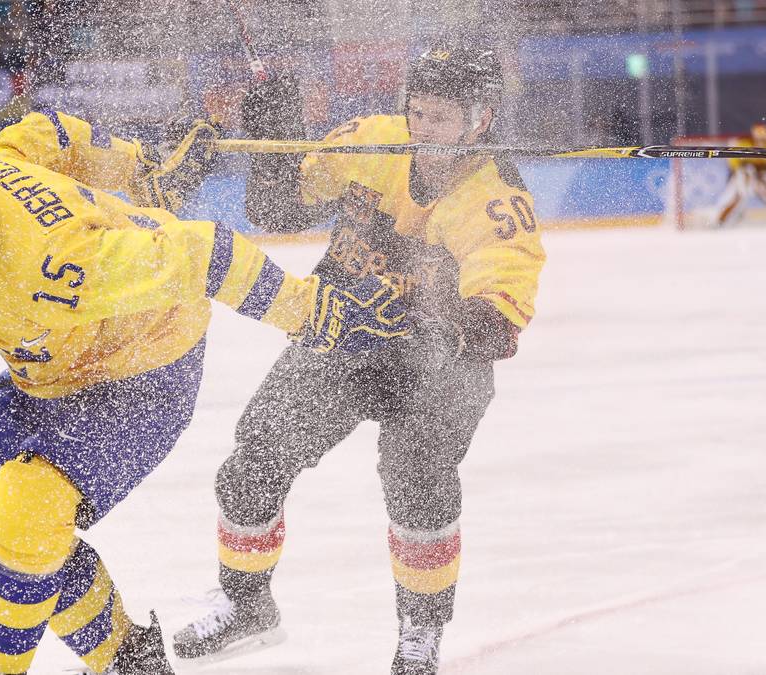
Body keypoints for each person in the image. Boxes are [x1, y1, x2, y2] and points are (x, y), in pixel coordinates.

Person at [0, 110, 408, 675]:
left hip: (144, 368)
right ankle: (129, 662)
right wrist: (139, 165)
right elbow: (44, 130)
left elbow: (207, 255)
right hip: (60, 365)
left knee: (29, 514)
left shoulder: (53, 270)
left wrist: (311, 312)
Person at [172, 44, 547, 675]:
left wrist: (442, 300)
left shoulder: (496, 204)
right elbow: (276, 206)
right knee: (252, 463)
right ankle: (247, 607)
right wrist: (272, 120)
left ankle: (421, 633)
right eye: (417, 114)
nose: (423, 132)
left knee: (416, 485)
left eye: (442, 120)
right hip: (343, 334)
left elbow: (497, 330)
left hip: (438, 367)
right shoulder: (372, 142)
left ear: (481, 120)